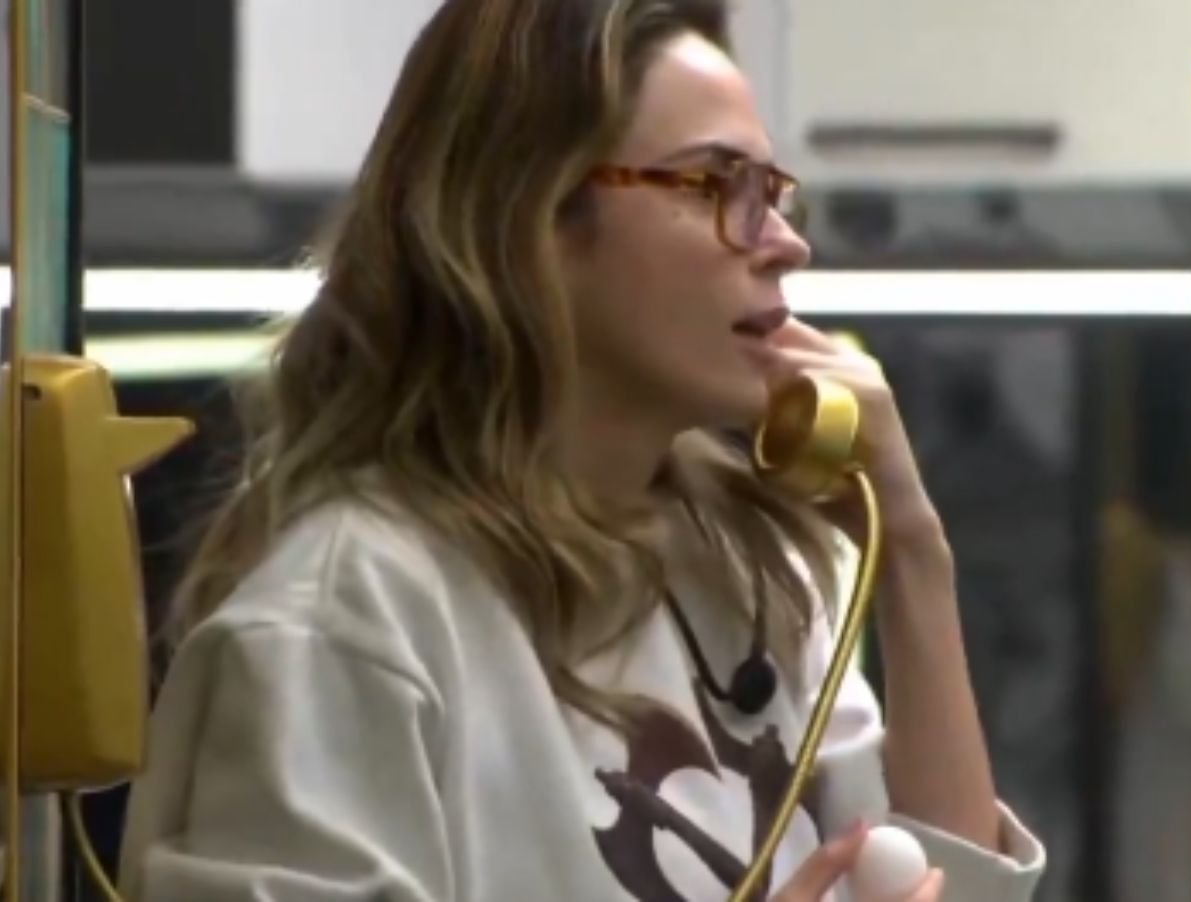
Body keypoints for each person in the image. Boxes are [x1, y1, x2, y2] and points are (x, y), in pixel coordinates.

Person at [117, 1, 1046, 899]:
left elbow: (937, 885)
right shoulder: (344, 625)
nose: (785, 244)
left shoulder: (749, 569)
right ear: (527, 219)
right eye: (714, 186)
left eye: (771, 194)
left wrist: (913, 555)